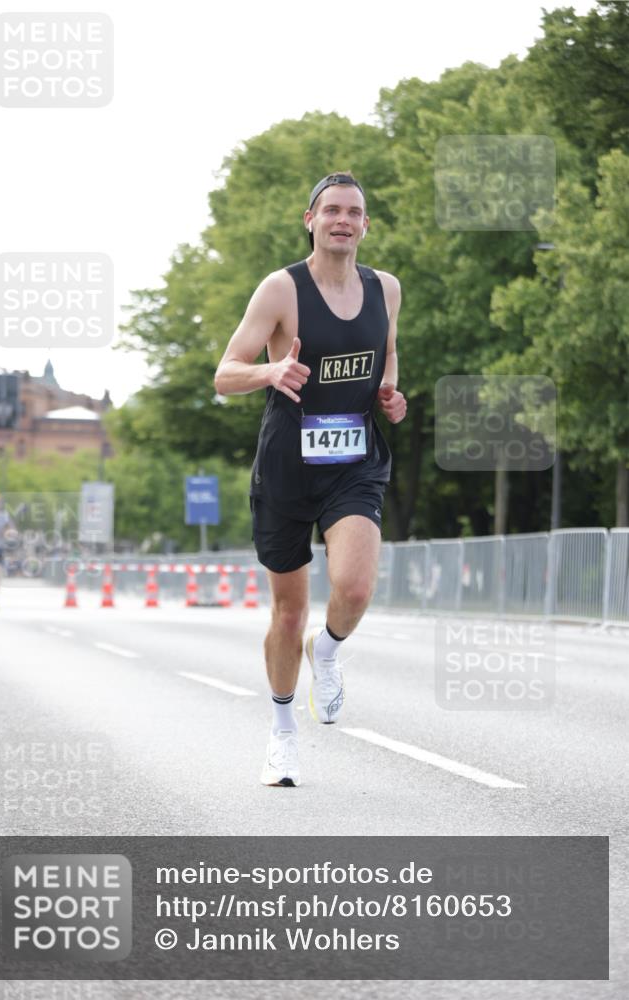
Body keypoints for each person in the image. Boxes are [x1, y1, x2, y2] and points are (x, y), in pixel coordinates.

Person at [214, 172, 407, 787]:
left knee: (353, 587)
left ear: (366, 224)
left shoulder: (386, 289)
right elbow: (224, 374)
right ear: (311, 219)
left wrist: (389, 394)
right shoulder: (281, 289)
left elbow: (388, 352)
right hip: (287, 468)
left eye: (354, 211)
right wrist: (269, 374)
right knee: (289, 613)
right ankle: (282, 732)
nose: (343, 220)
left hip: (353, 458)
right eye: (332, 211)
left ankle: (328, 651)